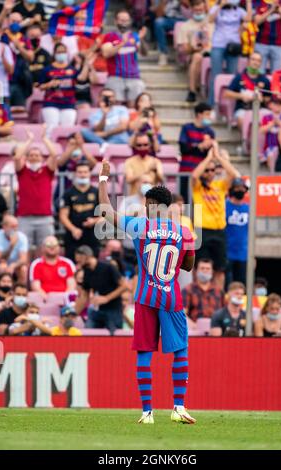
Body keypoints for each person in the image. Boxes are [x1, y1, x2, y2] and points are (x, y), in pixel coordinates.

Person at [98, 159, 197, 425]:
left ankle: (147, 412)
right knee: (181, 350)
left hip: (145, 297)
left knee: (144, 351)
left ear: (152, 205)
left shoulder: (140, 226)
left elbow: (105, 211)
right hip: (171, 298)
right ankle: (178, 406)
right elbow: (188, 266)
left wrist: (104, 179)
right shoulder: (184, 231)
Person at [192, 143, 239, 289]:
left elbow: (234, 175)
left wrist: (218, 157)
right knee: (199, 267)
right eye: (207, 170)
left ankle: (218, 297)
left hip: (219, 230)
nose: (210, 173)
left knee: (220, 269)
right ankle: (197, 295)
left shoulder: (220, 185)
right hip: (202, 230)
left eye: (212, 170)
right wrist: (208, 158)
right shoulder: (197, 187)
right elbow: (194, 175)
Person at [14, 125, 57, 247]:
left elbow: (54, 155)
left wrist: (44, 139)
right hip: (25, 218)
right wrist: (29, 141)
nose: (34, 157)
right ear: (27, 158)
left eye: (37, 155)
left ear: (42, 158)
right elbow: (17, 156)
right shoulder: (22, 172)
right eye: (31, 155)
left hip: (45, 218)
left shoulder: (47, 171)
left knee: (46, 248)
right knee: (23, 248)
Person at [208, 0, 253, 106]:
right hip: (218, 44)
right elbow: (210, 19)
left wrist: (249, 3)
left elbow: (249, 19)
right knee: (216, 75)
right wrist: (221, 5)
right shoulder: (216, 8)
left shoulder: (239, 10)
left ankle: (229, 105)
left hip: (234, 45)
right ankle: (212, 105)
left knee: (232, 76)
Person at [75, 245, 127, 336]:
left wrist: (107, 298)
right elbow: (84, 296)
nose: (78, 264)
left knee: (115, 339)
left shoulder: (108, 267)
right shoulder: (87, 272)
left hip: (113, 310)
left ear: (86, 256)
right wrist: (73, 315)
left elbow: (124, 286)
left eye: (79, 261)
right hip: (97, 310)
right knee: (88, 335)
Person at [101, 9, 147, 106]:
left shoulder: (134, 36)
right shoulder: (109, 36)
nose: (124, 23)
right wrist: (121, 44)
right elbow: (106, 54)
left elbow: (144, 53)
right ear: (115, 21)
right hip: (115, 77)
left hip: (134, 77)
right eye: (121, 20)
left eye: (126, 20)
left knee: (134, 105)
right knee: (116, 106)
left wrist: (141, 40)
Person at [39, 42, 86, 133]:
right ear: (54, 53)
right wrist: (49, 84)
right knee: (51, 129)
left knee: (68, 131)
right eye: (59, 52)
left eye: (63, 52)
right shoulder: (47, 69)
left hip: (69, 103)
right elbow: (40, 86)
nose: (61, 54)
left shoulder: (72, 70)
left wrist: (86, 63)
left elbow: (81, 79)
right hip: (51, 103)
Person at [59, 162, 102, 260]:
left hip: (92, 234)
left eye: (85, 172)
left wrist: (94, 221)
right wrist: (73, 229)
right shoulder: (68, 193)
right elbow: (63, 216)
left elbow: (105, 214)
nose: (83, 175)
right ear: (75, 174)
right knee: (72, 263)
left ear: (89, 173)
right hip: (73, 235)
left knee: (92, 263)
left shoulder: (97, 192)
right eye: (80, 172)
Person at [179, 102, 215, 204]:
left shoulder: (210, 132)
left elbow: (210, 154)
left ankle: (197, 220)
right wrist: (199, 146)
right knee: (186, 202)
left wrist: (210, 146)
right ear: (199, 114)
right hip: (186, 172)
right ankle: (186, 220)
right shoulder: (187, 128)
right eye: (207, 114)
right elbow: (183, 149)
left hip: (202, 173)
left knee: (199, 203)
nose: (210, 117)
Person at [224, 51, 271, 130]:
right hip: (243, 109)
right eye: (253, 59)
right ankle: (247, 141)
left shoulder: (264, 79)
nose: (256, 62)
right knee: (243, 120)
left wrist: (261, 98)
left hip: (260, 109)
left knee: (270, 118)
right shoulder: (239, 77)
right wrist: (242, 96)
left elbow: (268, 98)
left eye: (258, 61)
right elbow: (227, 94)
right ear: (248, 61)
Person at [176, 0, 211, 102]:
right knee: (197, 57)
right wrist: (193, 48)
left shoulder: (212, 21)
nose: (198, 11)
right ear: (191, 9)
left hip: (213, 52)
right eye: (196, 9)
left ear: (204, 7)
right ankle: (192, 90)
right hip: (196, 53)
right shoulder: (185, 26)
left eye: (200, 8)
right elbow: (184, 49)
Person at [1, 12, 34, 108]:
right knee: (1, 110)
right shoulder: (2, 36)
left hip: (18, 82)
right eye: (13, 21)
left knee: (18, 111)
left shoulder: (24, 39)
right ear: (8, 21)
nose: (15, 23)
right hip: (1, 82)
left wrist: (19, 46)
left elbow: (31, 57)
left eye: (18, 21)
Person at [182, 258, 225, 323]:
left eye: (208, 269)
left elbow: (224, 312)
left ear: (212, 271)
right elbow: (182, 313)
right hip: (194, 328)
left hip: (215, 328)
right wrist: (192, 326)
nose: (205, 271)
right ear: (196, 271)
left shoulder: (219, 291)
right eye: (202, 268)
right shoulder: (187, 290)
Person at [254, 0, 281, 73]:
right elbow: (257, 21)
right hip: (261, 43)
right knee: (259, 72)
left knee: (276, 73)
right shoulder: (260, 3)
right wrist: (271, 10)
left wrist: (279, 9)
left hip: (279, 44)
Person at [225, 178, 249, 286]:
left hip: (243, 253)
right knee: (227, 284)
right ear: (232, 190)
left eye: (242, 188)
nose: (240, 190)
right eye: (237, 188)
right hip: (227, 252)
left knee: (242, 285)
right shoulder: (224, 206)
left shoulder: (248, 208)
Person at [259, 95, 281, 170]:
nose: (278, 106)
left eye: (280, 104)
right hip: (270, 147)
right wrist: (272, 123)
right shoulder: (266, 117)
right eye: (276, 103)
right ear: (270, 105)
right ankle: (272, 173)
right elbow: (261, 130)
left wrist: (280, 124)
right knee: (271, 154)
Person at [154, 0, 188, 66]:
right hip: (168, 20)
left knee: (188, 25)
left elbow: (189, 6)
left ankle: (183, 54)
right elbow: (159, 15)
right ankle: (163, 53)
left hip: (182, 19)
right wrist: (163, 2)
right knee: (158, 22)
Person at [0, 214, 28, 283]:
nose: (15, 229)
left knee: (23, 269)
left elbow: (23, 259)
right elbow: (0, 258)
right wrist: (11, 246)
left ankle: (21, 290)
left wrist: (13, 265)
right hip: (0, 264)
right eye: (12, 226)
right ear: (4, 227)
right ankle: (1, 290)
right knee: (3, 267)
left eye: (16, 226)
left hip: (15, 264)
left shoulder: (22, 237)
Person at [0, 21, 15, 110]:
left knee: (2, 119)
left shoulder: (5, 48)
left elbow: (11, 71)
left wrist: (3, 56)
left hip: (0, 89)